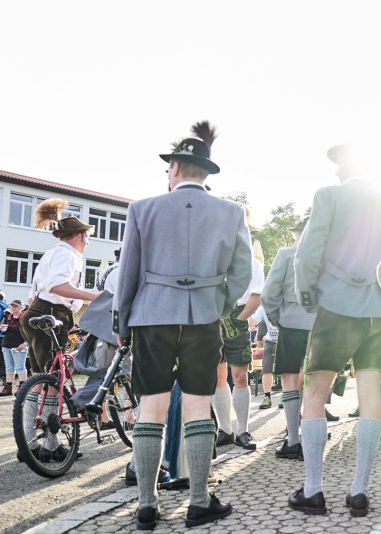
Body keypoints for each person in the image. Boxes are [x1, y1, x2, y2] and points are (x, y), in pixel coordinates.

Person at [115, 121, 252, 530]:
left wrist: (123, 319)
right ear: (206, 172)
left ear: (174, 167)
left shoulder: (142, 208)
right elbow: (242, 274)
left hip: (152, 315)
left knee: (150, 408)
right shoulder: (231, 212)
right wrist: (216, 301)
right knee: (198, 405)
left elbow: (129, 272)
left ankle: (145, 505)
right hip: (203, 317)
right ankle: (198, 500)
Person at [289, 143, 381, 517]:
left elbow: (308, 252)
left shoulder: (329, 196)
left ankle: (313, 490)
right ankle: (359, 491)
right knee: (371, 395)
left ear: (342, 170)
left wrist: (308, 297)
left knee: (316, 392)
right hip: (377, 313)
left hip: (334, 306)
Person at [19, 198, 99, 462]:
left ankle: (30, 444)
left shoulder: (53, 253)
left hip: (37, 312)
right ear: (78, 235)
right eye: (86, 236)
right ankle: (47, 445)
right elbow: (56, 286)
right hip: (51, 313)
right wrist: (92, 296)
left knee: (39, 379)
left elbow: (35, 293)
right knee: (53, 381)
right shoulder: (68, 255)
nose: (88, 241)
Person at [262, 217, 316, 460]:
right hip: (320, 326)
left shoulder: (286, 254)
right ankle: (312, 435)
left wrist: (277, 318)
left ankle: (293, 439)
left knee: (289, 380)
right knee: (314, 381)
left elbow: (269, 293)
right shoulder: (328, 257)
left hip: (292, 323)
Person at [213, 227, 265, 451]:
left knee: (240, 375)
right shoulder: (213, 255)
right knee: (217, 376)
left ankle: (242, 431)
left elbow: (257, 295)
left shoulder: (251, 262)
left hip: (237, 315)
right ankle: (225, 429)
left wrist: (240, 319)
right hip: (213, 318)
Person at [0, 300, 28, 396]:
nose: (13, 308)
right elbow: (4, 332)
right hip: (6, 344)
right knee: (9, 367)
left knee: (20, 367)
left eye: (16, 306)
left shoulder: (24, 318)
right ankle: (8, 387)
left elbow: (31, 333)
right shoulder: (8, 317)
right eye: (12, 306)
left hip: (19, 346)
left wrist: (25, 343)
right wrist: (1, 329)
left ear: (21, 308)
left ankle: (23, 388)